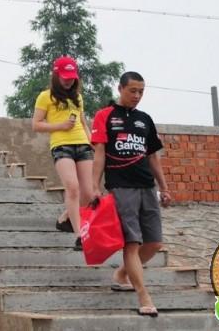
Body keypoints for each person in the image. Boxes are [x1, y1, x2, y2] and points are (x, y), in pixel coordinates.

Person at [90, 71, 171, 317]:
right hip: (120, 186)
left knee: (154, 242)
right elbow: (99, 154)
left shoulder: (145, 119)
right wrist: (95, 186)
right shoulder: (105, 115)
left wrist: (164, 187)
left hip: (147, 186)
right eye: (132, 90)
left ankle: (122, 273)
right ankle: (144, 296)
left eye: (141, 92)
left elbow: (153, 157)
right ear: (120, 89)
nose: (137, 96)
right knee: (132, 242)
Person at [31, 55, 95, 250]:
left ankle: (65, 217)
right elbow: (36, 125)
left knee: (88, 193)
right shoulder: (46, 96)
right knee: (72, 187)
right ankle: (80, 235)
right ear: (56, 75)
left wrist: (92, 141)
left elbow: (83, 122)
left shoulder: (78, 97)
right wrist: (61, 126)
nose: (68, 81)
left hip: (82, 144)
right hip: (61, 145)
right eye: (65, 77)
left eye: (72, 78)